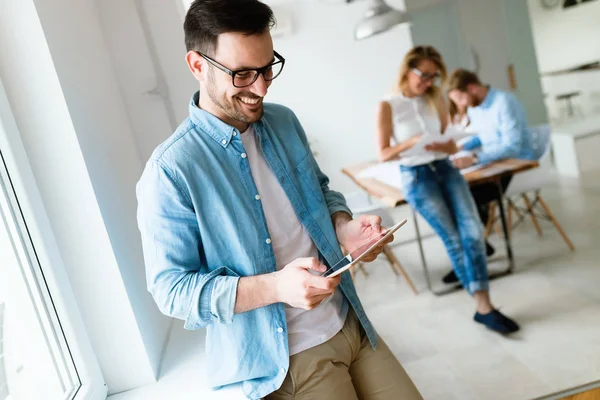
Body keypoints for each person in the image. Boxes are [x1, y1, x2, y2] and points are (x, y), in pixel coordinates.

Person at [136, 1, 423, 399]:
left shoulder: (283, 121)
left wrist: (344, 226)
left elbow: (320, 190)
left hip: (349, 321)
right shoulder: (171, 169)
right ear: (197, 65)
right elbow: (172, 291)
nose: (261, 86)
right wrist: (276, 288)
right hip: (286, 360)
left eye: (268, 66)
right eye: (242, 74)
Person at [375, 46, 519, 335]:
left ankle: (483, 306)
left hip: (445, 168)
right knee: (454, 239)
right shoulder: (388, 105)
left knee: (473, 233)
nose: (429, 82)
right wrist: (410, 142)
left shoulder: (436, 99)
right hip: (416, 176)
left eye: (434, 76)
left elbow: (451, 142)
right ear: (407, 70)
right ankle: (484, 306)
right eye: (424, 75)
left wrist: (447, 146)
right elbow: (383, 153)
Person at [428, 69, 536, 283]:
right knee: (453, 196)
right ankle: (475, 253)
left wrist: (475, 160)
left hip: (514, 166)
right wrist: (462, 146)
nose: (462, 105)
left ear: (472, 88)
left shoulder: (504, 102)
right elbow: (482, 137)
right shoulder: (475, 107)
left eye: (460, 98)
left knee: (465, 201)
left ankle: (471, 259)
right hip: (492, 162)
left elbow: (511, 146)